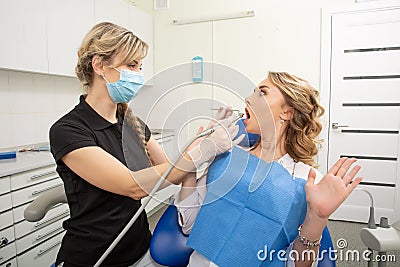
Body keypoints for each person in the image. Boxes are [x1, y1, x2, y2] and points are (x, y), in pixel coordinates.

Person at [49, 22, 243, 267]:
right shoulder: (69, 130)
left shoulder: (132, 123)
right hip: (93, 257)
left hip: (140, 248)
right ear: (99, 65)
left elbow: (169, 171)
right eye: (131, 65)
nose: (138, 75)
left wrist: (204, 139)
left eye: (140, 67)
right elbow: (133, 186)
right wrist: (204, 151)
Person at [176, 71, 362, 267]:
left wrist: (318, 217)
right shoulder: (225, 157)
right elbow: (190, 224)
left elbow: (296, 264)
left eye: (262, 93)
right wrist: (193, 161)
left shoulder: (307, 181)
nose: (248, 99)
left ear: (287, 112)